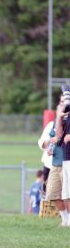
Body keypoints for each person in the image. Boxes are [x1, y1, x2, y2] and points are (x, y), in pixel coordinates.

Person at [45, 96, 67, 226]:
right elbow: (53, 136)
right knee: (52, 193)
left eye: (64, 102)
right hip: (56, 162)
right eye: (60, 102)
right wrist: (50, 147)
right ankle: (64, 219)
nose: (62, 104)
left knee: (67, 195)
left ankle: (68, 220)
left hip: (67, 162)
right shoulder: (56, 119)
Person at [56, 85, 70, 226]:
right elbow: (59, 134)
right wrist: (59, 117)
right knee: (66, 193)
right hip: (66, 157)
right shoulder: (67, 116)